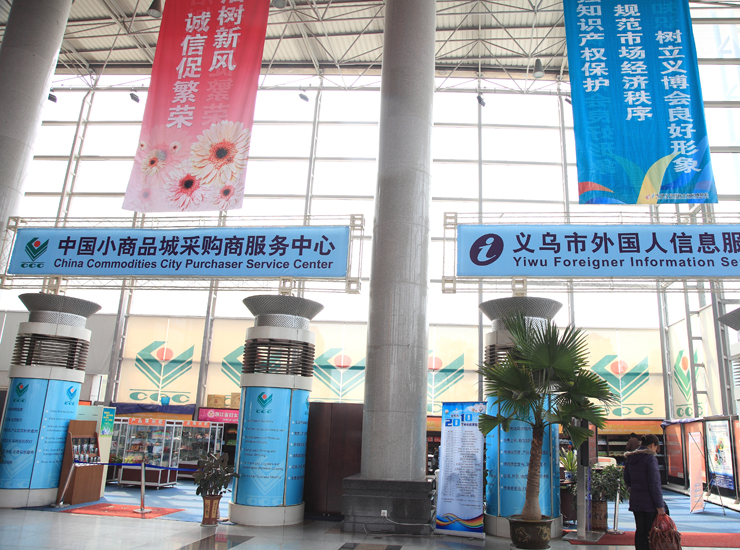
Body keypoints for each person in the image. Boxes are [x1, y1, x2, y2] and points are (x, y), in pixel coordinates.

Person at [624, 434, 666, 550]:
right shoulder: (650, 459)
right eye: (656, 447)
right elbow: (654, 484)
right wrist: (659, 506)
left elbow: (627, 479)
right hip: (649, 502)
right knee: (649, 531)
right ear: (652, 445)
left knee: (640, 530)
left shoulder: (631, 458)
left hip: (636, 500)